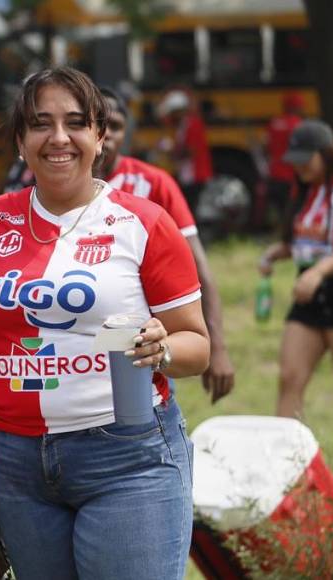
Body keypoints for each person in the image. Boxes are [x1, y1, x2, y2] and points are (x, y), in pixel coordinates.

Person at [0, 67, 209, 579]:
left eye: (76, 123)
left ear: (100, 137)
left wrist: (159, 349)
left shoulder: (143, 221)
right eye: (40, 124)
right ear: (20, 141)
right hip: (17, 459)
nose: (59, 138)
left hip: (126, 454)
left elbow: (196, 345)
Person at [97, 87, 235, 403]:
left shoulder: (153, 184)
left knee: (139, 416)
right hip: (68, 356)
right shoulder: (48, 187)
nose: (108, 137)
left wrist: (217, 347)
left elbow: (199, 268)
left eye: (116, 127)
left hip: (139, 345)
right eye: (99, 124)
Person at [258, 120, 333, 419]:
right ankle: (289, 462)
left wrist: (320, 272)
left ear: (326, 154)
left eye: (306, 160)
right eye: (294, 162)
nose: (299, 168)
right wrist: (278, 253)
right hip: (307, 298)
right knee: (290, 378)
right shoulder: (304, 191)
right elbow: (306, 240)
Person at [158, 88, 214, 206]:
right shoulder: (183, 126)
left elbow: (191, 151)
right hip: (188, 175)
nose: (171, 117)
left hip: (195, 176)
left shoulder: (193, 124)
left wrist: (172, 151)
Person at [261, 92, 306, 230]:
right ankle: (289, 234)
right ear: (297, 107)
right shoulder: (299, 125)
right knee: (293, 208)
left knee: (278, 208)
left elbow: (265, 147)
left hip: (274, 173)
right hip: (291, 174)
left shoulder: (273, 123)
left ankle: (279, 231)